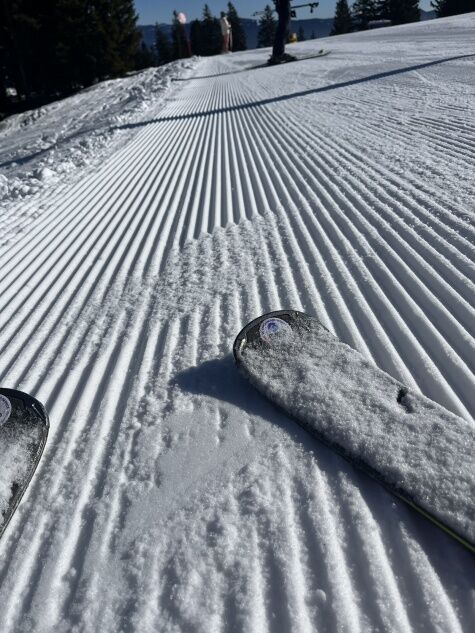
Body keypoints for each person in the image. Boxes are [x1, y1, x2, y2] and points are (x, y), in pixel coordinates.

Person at [268, 0, 296, 65]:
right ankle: (279, 55)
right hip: (283, 4)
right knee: (283, 30)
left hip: (282, 4)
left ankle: (276, 54)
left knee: (282, 29)